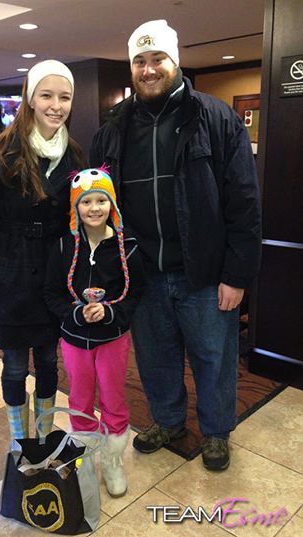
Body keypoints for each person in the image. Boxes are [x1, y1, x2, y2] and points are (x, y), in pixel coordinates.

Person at [89, 20, 262, 471]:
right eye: (140, 62)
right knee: (155, 357)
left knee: (213, 359)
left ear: (175, 61)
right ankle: (167, 420)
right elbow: (96, 207)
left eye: (157, 60)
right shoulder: (113, 129)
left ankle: (217, 431)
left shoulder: (215, 117)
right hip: (142, 273)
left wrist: (236, 275)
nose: (148, 70)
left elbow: (244, 201)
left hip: (204, 274)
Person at [0, 60, 86, 449]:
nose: (56, 105)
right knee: (16, 365)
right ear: (30, 99)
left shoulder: (75, 155)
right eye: (47, 95)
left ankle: (46, 432)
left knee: (50, 362)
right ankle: (21, 439)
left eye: (64, 97)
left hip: (54, 276)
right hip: (11, 276)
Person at [44, 167, 145, 497]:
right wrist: (73, 312)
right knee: (80, 396)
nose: (94, 208)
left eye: (102, 200)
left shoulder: (126, 247)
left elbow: (135, 292)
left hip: (113, 338)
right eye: (86, 202)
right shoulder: (63, 247)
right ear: (76, 208)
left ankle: (113, 461)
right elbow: (52, 293)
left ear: (112, 205)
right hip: (74, 339)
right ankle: (86, 457)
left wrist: (111, 312)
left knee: (114, 397)